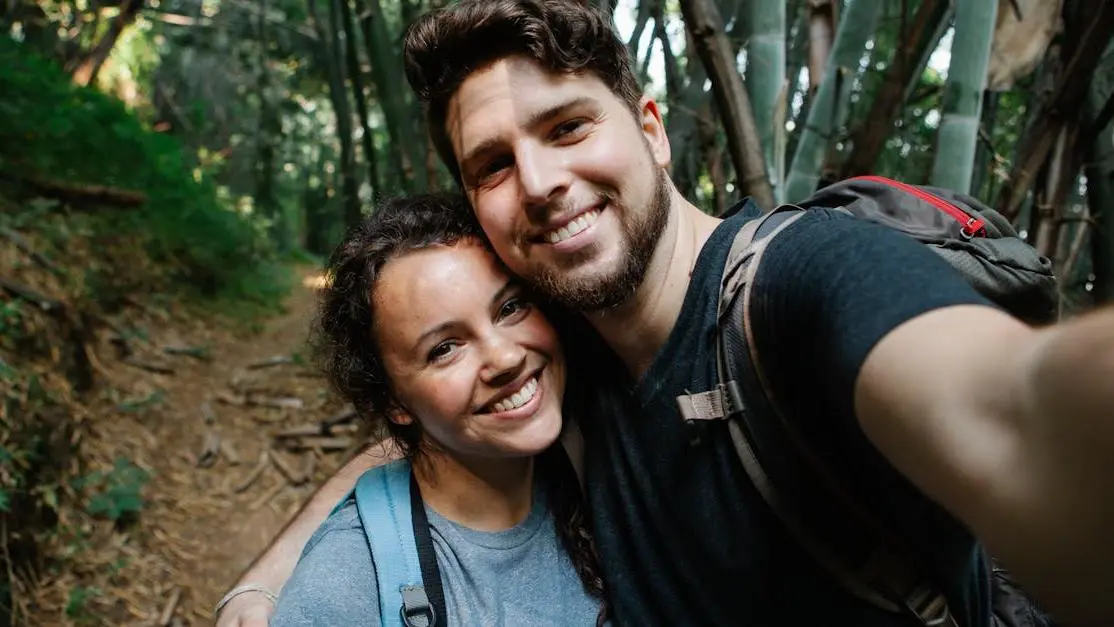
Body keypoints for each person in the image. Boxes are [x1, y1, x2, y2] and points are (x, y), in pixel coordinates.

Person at [217, 2, 1114, 626]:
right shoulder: (563, 346)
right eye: (492, 164)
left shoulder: (800, 286)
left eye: (567, 127)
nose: (539, 183)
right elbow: (415, 438)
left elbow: (1012, 405)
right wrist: (258, 591)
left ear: (651, 126)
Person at [264, 193, 608, 626]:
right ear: (393, 400)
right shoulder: (344, 590)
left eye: (510, 307)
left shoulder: (605, 468)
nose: (504, 358)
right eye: (445, 348)